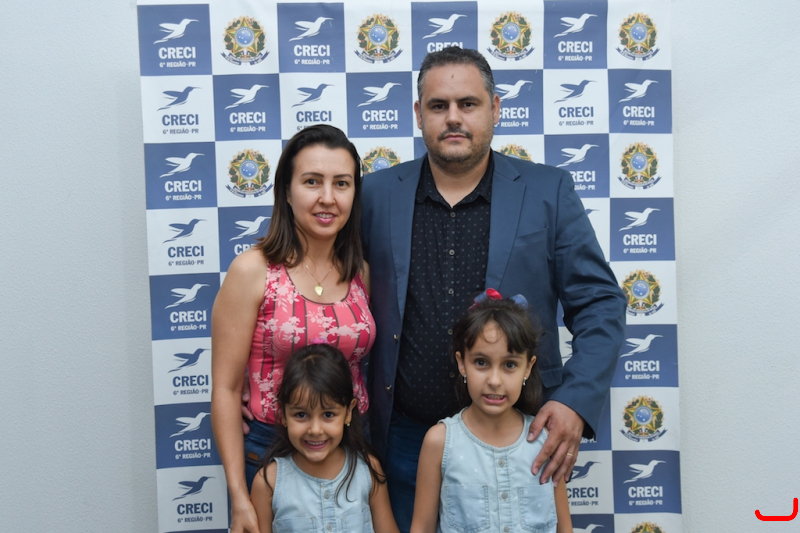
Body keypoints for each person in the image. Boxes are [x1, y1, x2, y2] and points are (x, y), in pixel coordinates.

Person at [360, 47, 626, 529]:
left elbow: (601, 303)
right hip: (404, 443)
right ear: (418, 114)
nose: (453, 117)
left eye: (468, 103)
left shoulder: (548, 192)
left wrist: (574, 400)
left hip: (519, 442)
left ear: (496, 108)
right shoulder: (374, 195)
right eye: (438, 106)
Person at [212, 124, 375, 533]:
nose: (328, 197)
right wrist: (238, 495)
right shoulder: (252, 270)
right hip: (271, 450)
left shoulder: (360, 272)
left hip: (349, 448)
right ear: (286, 191)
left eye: (342, 183)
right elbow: (226, 390)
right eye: (312, 181)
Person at [410, 291, 571, 533]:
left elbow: (564, 527)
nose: (494, 381)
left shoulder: (546, 440)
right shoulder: (440, 442)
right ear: (461, 363)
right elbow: (422, 527)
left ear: (528, 367)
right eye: (481, 362)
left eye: (509, 365)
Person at [250, 344, 399, 533]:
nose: (315, 430)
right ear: (283, 414)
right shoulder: (268, 482)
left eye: (328, 414)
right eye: (301, 415)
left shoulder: (368, 470)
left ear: (348, 412)